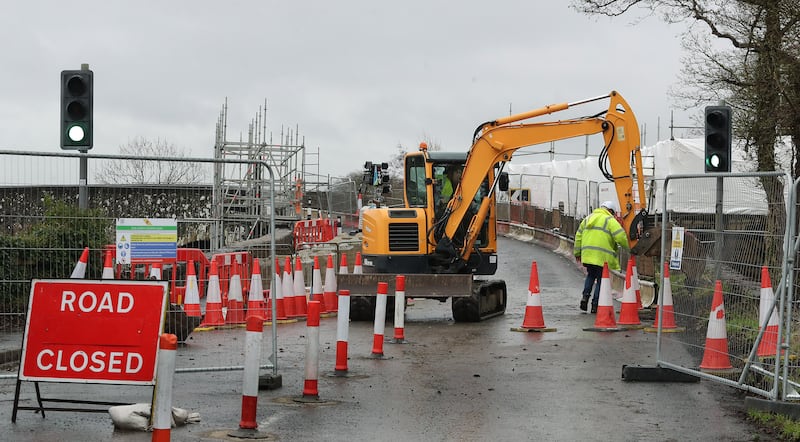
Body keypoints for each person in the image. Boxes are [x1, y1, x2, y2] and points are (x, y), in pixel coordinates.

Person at [573, 200, 629, 313]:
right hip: (602, 257)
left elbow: (578, 236)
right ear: (610, 211)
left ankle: (585, 297)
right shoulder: (609, 220)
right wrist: (630, 247)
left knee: (590, 276)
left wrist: (577, 253)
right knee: (600, 280)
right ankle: (595, 305)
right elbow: (620, 236)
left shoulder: (588, 218)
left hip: (588, 255)